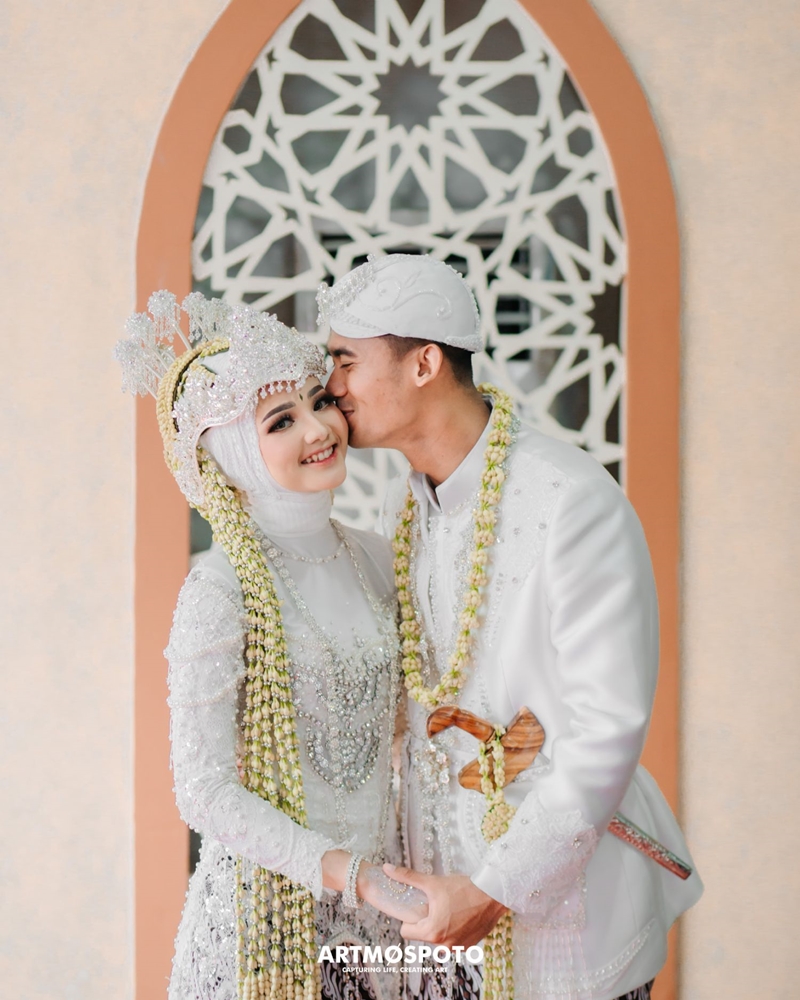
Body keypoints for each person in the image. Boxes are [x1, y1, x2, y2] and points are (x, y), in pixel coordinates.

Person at [319, 254, 704, 1000]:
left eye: (345, 360)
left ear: (424, 363)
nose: (331, 386)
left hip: (566, 922)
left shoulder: (570, 500)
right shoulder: (412, 507)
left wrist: (494, 890)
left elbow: (606, 730)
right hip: (440, 925)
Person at [115, 291, 426, 1000]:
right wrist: (349, 873)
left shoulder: (376, 558)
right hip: (264, 926)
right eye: (281, 421)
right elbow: (203, 791)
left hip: (382, 920)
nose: (318, 429)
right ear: (228, 456)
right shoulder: (220, 589)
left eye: (319, 401)